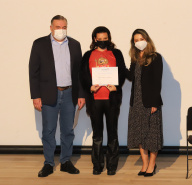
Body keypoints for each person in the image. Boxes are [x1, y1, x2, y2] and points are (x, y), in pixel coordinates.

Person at [29, 15, 85, 177]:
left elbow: (80, 73)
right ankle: (48, 163)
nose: (61, 30)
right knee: (48, 130)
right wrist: (35, 96)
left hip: (70, 93)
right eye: (58, 27)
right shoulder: (39, 44)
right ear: (51, 28)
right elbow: (33, 72)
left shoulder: (75, 45)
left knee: (68, 130)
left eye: (64, 27)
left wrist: (81, 94)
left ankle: (66, 161)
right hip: (48, 94)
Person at [80, 26, 126, 175]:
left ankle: (112, 166)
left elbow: (122, 71)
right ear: (94, 39)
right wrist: (89, 87)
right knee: (97, 136)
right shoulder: (88, 55)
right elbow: (82, 75)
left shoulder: (116, 53)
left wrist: (117, 85)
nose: (102, 41)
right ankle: (97, 165)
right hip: (95, 101)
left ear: (109, 38)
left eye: (105, 39)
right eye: (99, 39)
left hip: (111, 100)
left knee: (113, 134)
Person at [126, 29, 163, 177]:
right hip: (136, 102)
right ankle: (145, 163)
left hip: (150, 102)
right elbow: (130, 76)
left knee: (152, 135)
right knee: (140, 134)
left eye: (141, 38)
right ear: (133, 43)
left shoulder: (155, 57)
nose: (138, 42)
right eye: (135, 40)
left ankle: (152, 164)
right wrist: (117, 67)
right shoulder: (135, 58)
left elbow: (157, 81)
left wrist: (155, 102)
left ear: (147, 39)